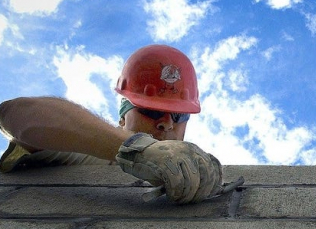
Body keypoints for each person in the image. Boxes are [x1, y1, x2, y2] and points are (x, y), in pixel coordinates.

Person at [0, 44, 224, 204]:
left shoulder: (194, 178)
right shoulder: (84, 151)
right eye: (151, 111)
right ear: (123, 117)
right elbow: (15, 113)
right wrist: (138, 148)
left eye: (179, 116)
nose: (166, 123)